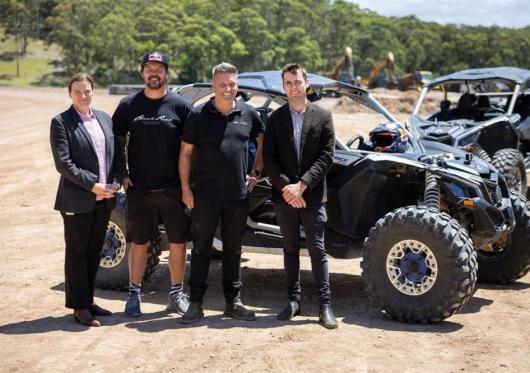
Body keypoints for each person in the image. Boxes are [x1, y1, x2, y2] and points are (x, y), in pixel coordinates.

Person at [179, 62, 264, 324]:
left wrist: (256, 172)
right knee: (202, 250)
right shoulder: (197, 115)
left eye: (232, 84)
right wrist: (185, 189)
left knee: (234, 251)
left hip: (237, 197)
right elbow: (185, 153)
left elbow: (262, 141)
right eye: (222, 84)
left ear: (237, 85)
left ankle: (233, 302)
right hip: (205, 196)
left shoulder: (249, 114)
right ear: (213, 86)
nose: (228, 89)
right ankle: (195, 304)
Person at [112, 51, 192, 317]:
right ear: (142, 73)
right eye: (149, 68)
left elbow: (190, 149)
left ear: (167, 74)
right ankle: (134, 295)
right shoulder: (128, 105)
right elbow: (116, 141)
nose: (154, 73)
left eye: (159, 68)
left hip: (173, 189)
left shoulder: (181, 106)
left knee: (179, 243)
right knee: (140, 242)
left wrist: (187, 186)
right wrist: (122, 173)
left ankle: (176, 294)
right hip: (140, 189)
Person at [263, 63, 338, 329]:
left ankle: (325, 305)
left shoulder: (323, 116)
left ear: (306, 83)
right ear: (283, 87)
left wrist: (302, 186)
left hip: (313, 195)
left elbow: (327, 157)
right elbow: (269, 160)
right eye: (288, 83)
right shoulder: (275, 119)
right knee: (290, 248)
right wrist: (288, 188)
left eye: (297, 82)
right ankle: (293, 301)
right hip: (284, 196)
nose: (293, 87)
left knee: (318, 250)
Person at [50, 73, 123, 327]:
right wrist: (93, 186)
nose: (83, 96)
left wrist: (117, 179)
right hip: (77, 200)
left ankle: (88, 299)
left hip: (104, 198)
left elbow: (115, 154)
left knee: (94, 252)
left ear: (94, 91)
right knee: (77, 253)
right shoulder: (61, 122)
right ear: (70, 94)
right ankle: (79, 307)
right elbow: (64, 164)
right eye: (77, 92)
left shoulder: (104, 118)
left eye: (87, 91)